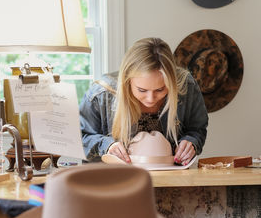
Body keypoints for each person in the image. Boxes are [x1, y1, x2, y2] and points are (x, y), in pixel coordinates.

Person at [79, 37, 208, 165]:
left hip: (170, 175)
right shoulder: (101, 94)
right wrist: (106, 146)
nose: (150, 99)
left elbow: (197, 129)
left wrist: (191, 142)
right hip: (109, 178)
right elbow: (80, 138)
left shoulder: (186, 87)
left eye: (160, 89)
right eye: (142, 90)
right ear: (127, 80)